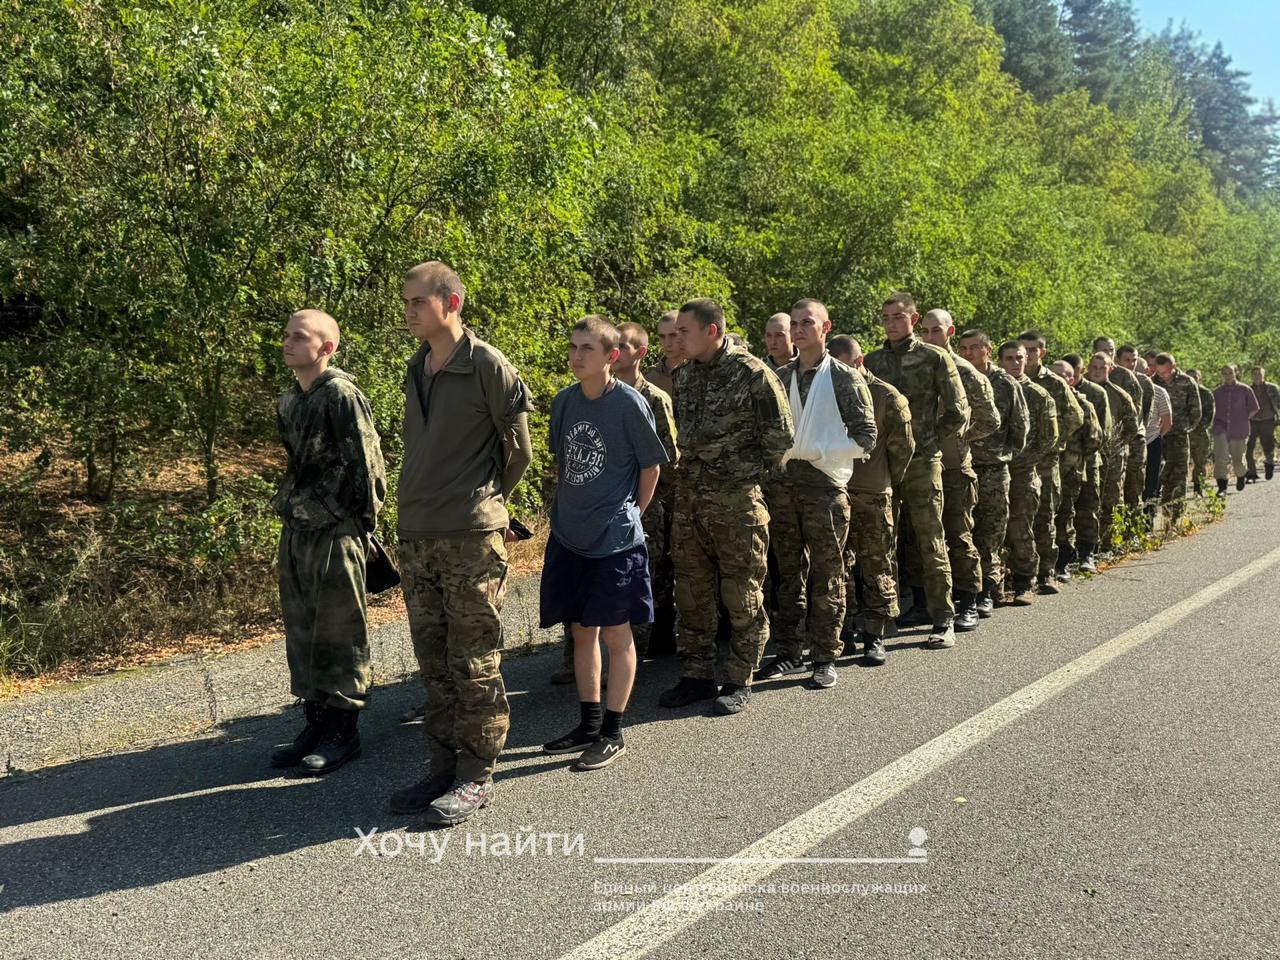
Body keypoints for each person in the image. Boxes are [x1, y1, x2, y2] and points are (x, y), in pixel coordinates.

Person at [388, 261, 534, 826]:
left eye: (417, 302)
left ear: (451, 303)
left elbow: (518, 451)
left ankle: (476, 775)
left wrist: (487, 503)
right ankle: (441, 766)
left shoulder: (486, 365)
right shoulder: (417, 366)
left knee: (473, 659)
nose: (408, 312)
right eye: (407, 302)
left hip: (470, 536)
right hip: (418, 533)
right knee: (433, 659)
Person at [540, 316, 668, 771]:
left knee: (617, 634)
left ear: (612, 357)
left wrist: (634, 512)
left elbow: (651, 467)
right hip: (570, 537)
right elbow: (565, 465)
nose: (576, 357)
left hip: (614, 540)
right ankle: (588, 723)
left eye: (587, 349)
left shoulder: (629, 404)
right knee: (580, 631)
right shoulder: (564, 401)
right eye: (573, 347)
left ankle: (613, 732)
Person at [661, 299, 794, 715]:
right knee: (692, 591)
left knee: (742, 593)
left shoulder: (752, 374)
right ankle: (697, 675)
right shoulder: (683, 375)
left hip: (737, 503)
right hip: (692, 502)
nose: (676, 338)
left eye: (684, 331)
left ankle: (739, 677)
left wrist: (739, 473)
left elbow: (782, 439)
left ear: (712, 331)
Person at [269, 310, 387, 775]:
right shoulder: (289, 401)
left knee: (339, 631)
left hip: (336, 530)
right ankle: (315, 722)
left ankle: (343, 730)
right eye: (286, 336)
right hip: (298, 527)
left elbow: (369, 464)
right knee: (302, 629)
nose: (288, 343)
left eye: (300, 337)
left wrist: (359, 525)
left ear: (326, 348)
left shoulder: (340, 394)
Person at [756, 300, 876, 688]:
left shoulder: (843, 377)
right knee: (787, 575)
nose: (799, 329)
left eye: (808, 322)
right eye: (794, 323)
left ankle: (825, 655)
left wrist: (819, 448)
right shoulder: (780, 376)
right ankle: (789, 652)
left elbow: (866, 437)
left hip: (824, 490)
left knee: (828, 574)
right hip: (784, 490)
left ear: (826, 328)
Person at [864, 293, 969, 648]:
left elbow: (957, 410)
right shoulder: (873, 361)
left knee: (930, 539)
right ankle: (891, 614)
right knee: (885, 542)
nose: (891, 323)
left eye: (898, 316)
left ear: (913, 318)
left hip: (923, 463)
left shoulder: (934, 357)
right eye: (886, 317)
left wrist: (929, 442)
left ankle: (943, 618)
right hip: (884, 464)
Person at [831, 335, 914, 666]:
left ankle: (875, 633)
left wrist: (886, 481)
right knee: (839, 566)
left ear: (859, 361)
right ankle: (847, 628)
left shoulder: (886, 396)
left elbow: (903, 449)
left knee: (876, 563)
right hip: (837, 490)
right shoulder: (827, 391)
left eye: (846, 366)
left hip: (873, 492)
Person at [919, 310, 1000, 631]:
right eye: (924, 331)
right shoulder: (919, 365)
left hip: (954, 467)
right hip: (923, 465)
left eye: (935, 330)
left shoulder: (965, 371)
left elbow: (990, 418)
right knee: (923, 539)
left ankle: (969, 600)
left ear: (950, 332)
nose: (929, 337)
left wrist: (961, 436)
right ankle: (928, 601)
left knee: (959, 535)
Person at [956, 330, 1028, 616]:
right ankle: (966, 593)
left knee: (990, 533)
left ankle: (988, 590)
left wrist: (1002, 455)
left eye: (975, 348)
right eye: (963, 348)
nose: (968, 353)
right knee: (964, 532)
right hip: (962, 466)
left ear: (988, 350)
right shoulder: (956, 377)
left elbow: (1020, 428)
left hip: (993, 470)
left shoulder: (1004, 383)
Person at [1019, 331, 1083, 595]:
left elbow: (1075, 417)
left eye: (1034, 350)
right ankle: (1021, 575)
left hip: (1046, 461)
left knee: (1045, 516)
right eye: (1025, 350)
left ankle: (1046, 573)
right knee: (1019, 518)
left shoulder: (1054, 383)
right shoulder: (1009, 379)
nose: (1029, 354)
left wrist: (1055, 442)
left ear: (1042, 353)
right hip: (1018, 460)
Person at [1000, 341, 1057, 606]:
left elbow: (1049, 437)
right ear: (1000, 361)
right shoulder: (993, 388)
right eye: (1009, 358)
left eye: (1019, 358)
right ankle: (996, 583)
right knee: (992, 528)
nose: (1015, 363)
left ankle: (1025, 581)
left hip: (1023, 472)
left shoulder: (1038, 394)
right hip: (994, 470)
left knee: (1021, 527)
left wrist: (1023, 461)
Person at [1052, 357, 1105, 581]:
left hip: (1076, 467)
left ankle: (1078, 556)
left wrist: (1074, 453)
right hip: (1049, 468)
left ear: (1072, 379)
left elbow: (1096, 439)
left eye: (1064, 375)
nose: (1059, 380)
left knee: (1074, 512)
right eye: (1054, 375)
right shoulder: (1044, 400)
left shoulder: (1085, 404)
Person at [1084, 352, 1139, 567]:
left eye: (1102, 368)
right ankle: (1087, 543)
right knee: (1087, 499)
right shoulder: (1081, 390)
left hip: (1112, 456)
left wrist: (1115, 446)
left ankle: (1107, 543)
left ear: (1110, 369)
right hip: (1087, 455)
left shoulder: (1120, 395)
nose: (1097, 371)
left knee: (1110, 499)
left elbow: (1132, 427)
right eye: (1094, 367)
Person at [1151, 353, 1201, 523]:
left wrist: (1185, 428)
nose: (1164, 376)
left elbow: (1196, 411)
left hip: (1179, 435)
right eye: (1160, 373)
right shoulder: (1152, 383)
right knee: (1161, 474)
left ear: (1174, 366)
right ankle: (1164, 510)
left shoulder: (1187, 382)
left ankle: (1176, 515)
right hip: (1158, 436)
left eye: (1167, 372)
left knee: (1179, 474)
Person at [1116, 344, 1155, 507]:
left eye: (1134, 360)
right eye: (1127, 360)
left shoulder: (1144, 382)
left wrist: (1137, 432)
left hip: (1136, 439)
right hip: (1116, 440)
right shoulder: (1111, 378)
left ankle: (1133, 526)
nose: (1131, 364)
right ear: (1117, 360)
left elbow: (1146, 412)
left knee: (1134, 484)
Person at [1213, 364, 1259, 493]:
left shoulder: (1245, 390)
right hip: (1220, 428)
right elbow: (1212, 410)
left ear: (1235, 373)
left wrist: (1244, 418)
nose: (1228, 376)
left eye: (1230, 373)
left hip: (1239, 429)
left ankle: (1241, 475)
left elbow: (1255, 407)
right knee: (1221, 458)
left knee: (1238, 460)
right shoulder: (1217, 392)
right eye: (1225, 373)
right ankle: (1222, 487)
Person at [1139, 358, 1172, 510]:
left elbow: (1167, 421)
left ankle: (1148, 520)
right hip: (1130, 445)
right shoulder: (1122, 391)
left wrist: (1156, 437)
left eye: (1142, 370)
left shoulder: (1158, 392)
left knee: (1151, 483)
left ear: (1148, 371)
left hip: (1152, 442)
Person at [1185, 369, 1215, 496]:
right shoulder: (1182, 391)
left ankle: (1198, 487)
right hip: (1183, 432)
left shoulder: (1205, 393)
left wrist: (1200, 426)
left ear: (1199, 378)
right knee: (1181, 462)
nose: (1192, 379)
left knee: (1200, 462)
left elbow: (1210, 413)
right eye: (1189, 377)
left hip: (1199, 433)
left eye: (1195, 377)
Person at [1247, 366, 1280, 481]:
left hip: (1268, 421)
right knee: (1248, 447)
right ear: (1251, 376)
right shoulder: (1248, 389)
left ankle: (1269, 465)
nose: (1257, 376)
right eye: (1254, 374)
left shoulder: (1272, 388)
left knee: (1268, 446)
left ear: (1264, 375)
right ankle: (1251, 473)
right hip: (1251, 422)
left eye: (1259, 374)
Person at [642, 309, 684, 399]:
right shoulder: (648, 376)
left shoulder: (699, 373)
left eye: (673, 335)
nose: (667, 343)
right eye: (662, 337)